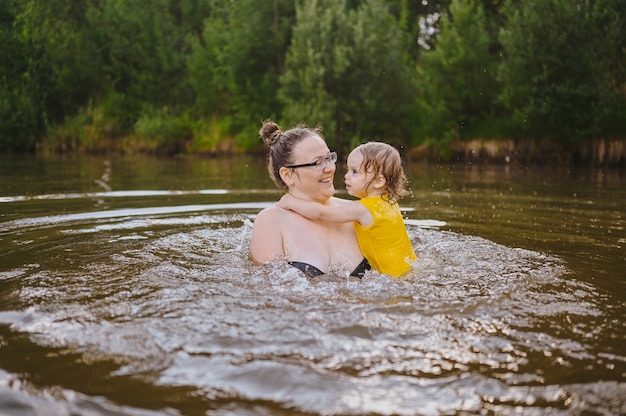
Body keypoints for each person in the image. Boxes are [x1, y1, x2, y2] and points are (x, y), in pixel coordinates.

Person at [249, 121, 371, 278]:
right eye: (318, 162)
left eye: (329, 158)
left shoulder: (356, 212)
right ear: (287, 175)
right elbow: (267, 288)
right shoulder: (271, 221)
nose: (330, 168)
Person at [278, 142, 417, 277]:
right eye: (348, 170)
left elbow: (322, 213)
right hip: (408, 270)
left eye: (355, 172)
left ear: (378, 181)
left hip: (392, 278)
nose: (346, 176)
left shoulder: (362, 209)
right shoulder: (389, 202)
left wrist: (292, 203)